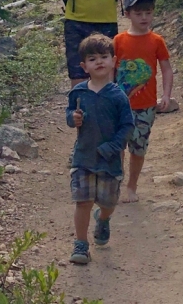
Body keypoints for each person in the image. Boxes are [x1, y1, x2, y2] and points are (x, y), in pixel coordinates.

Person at [66, 34, 134, 264]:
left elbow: (127, 126)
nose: (99, 62)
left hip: (110, 160)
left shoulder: (118, 96)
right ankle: (81, 244)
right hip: (83, 156)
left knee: (108, 202)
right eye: (93, 59)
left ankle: (103, 219)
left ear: (113, 61)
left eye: (104, 57)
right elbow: (69, 115)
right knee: (82, 200)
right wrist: (72, 118)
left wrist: (113, 147)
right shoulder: (78, 93)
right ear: (85, 66)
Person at [113, 0, 173, 203]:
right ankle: (117, 184)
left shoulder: (157, 41)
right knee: (118, 145)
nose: (144, 17)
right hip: (119, 106)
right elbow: (109, 71)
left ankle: (132, 186)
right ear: (127, 14)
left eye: (148, 12)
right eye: (138, 13)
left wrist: (166, 94)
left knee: (138, 148)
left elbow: (166, 68)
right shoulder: (118, 41)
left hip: (146, 106)